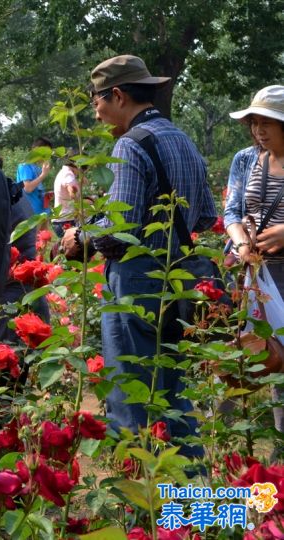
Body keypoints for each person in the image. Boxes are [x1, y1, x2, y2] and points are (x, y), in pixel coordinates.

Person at [61, 55, 217, 458]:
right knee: (173, 392)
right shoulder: (183, 139)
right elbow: (205, 215)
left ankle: (145, 507)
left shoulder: (131, 144)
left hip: (136, 282)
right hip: (180, 276)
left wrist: (82, 235)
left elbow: (121, 227)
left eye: (96, 102)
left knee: (133, 394)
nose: (95, 114)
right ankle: (187, 494)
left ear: (117, 95)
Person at [223, 85, 284, 450]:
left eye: (268, 123)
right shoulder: (245, 159)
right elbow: (231, 212)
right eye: (254, 123)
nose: (259, 130)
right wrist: (242, 241)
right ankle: (231, 439)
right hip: (257, 273)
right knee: (256, 353)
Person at [16, 137, 53, 216]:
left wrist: (46, 195)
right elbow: (27, 188)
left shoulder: (37, 167)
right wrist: (43, 175)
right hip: (31, 214)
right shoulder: (25, 166)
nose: (47, 156)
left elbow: (36, 190)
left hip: (42, 211)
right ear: (36, 150)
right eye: (45, 152)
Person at [51, 155, 82, 237]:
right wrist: (79, 211)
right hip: (65, 220)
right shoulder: (68, 174)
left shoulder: (63, 172)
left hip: (62, 219)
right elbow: (72, 193)